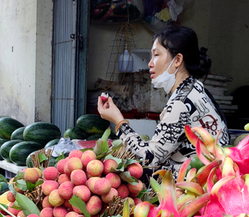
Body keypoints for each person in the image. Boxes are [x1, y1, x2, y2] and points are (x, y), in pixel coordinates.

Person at [97, 25, 229, 177]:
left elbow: (149, 158)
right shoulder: (194, 88)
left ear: (178, 60)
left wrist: (118, 122)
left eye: (156, 55)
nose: (150, 63)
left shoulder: (181, 103)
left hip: (194, 190)